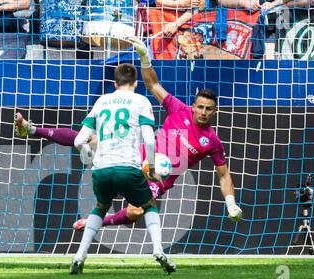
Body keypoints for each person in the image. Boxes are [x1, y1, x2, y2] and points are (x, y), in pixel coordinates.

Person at [72, 36, 243, 232]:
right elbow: (153, 85)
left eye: (209, 109)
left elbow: (224, 175)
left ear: (214, 111)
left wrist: (231, 203)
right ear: (193, 107)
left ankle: (95, 222)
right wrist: (145, 57)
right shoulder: (179, 109)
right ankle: (38, 131)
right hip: (142, 157)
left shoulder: (212, 141)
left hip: (159, 177)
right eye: (200, 107)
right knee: (92, 139)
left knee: (136, 212)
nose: (203, 112)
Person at [68, 63, 175, 275]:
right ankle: (158, 250)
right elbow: (149, 141)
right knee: (149, 204)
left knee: (100, 207)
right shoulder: (141, 101)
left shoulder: (101, 101)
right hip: (127, 167)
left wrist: (88, 153)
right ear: (136, 82)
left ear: (115, 83)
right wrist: (152, 167)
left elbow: (79, 140)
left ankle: (80, 256)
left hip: (100, 170)